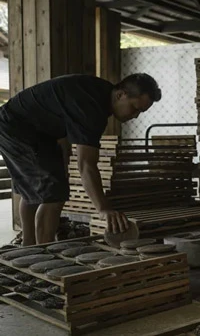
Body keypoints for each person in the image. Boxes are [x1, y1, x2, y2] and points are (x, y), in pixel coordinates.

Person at [0, 73, 162, 246]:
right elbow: (86, 165)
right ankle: (41, 253)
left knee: (39, 188)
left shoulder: (100, 93)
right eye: (134, 108)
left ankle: (28, 247)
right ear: (120, 95)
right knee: (53, 194)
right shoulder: (91, 107)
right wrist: (104, 209)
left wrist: (61, 166)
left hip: (38, 132)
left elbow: (64, 134)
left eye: (140, 112)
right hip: (16, 128)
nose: (136, 115)